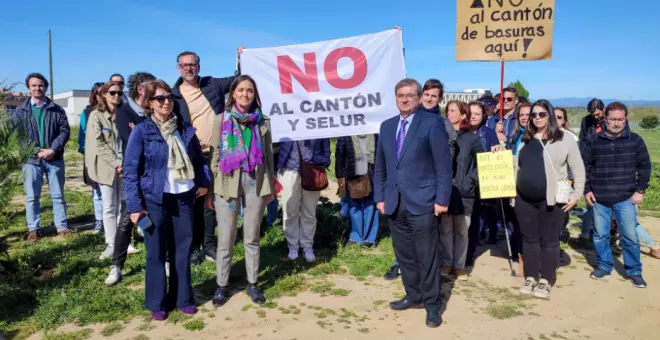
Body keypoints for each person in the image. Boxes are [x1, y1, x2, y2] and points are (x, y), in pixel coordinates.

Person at [123, 80, 211, 320]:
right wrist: (135, 206)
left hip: (184, 198)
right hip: (155, 200)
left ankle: (183, 297)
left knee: (182, 250)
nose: (166, 102)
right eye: (160, 98)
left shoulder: (184, 129)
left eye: (169, 97)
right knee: (156, 252)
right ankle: (157, 302)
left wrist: (204, 183)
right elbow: (131, 171)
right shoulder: (142, 131)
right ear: (150, 103)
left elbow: (199, 160)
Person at [374, 78, 452, 328]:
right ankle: (414, 294)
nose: (404, 99)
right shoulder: (386, 127)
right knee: (405, 255)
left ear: (418, 98)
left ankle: (432, 305)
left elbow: (443, 166)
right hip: (395, 202)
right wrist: (380, 198)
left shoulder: (432, 123)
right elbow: (381, 168)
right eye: (400, 95)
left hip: (424, 202)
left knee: (426, 255)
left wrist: (442, 199)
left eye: (409, 95)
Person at [206, 75, 276, 306]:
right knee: (226, 239)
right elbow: (215, 153)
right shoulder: (221, 119)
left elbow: (268, 156)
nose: (245, 94)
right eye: (241, 90)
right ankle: (221, 285)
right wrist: (215, 181)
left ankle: (253, 283)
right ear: (233, 93)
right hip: (227, 183)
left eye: (250, 91)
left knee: (252, 237)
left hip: (255, 182)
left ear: (254, 95)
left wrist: (271, 186)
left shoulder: (263, 121)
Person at [172, 49, 243, 265]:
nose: (189, 68)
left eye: (192, 64)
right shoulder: (173, 95)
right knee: (192, 201)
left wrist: (241, 57)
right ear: (178, 68)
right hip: (190, 154)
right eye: (184, 65)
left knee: (211, 200)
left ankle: (209, 244)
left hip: (217, 153)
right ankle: (194, 247)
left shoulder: (212, 84)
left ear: (198, 66)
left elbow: (238, 78)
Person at [383, 78, 457, 280]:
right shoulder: (396, 123)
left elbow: (444, 162)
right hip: (400, 194)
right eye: (427, 95)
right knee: (405, 246)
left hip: (424, 192)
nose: (430, 99)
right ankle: (409, 282)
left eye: (434, 96)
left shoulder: (438, 123)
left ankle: (429, 295)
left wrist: (441, 197)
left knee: (426, 249)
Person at [514, 99, 585, 299]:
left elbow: (578, 169)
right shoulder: (525, 139)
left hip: (554, 198)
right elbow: (515, 163)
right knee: (529, 240)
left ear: (550, 116)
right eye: (533, 115)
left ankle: (546, 279)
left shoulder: (565, 139)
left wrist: (576, 193)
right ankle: (530, 276)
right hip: (524, 200)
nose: (536, 118)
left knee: (549, 241)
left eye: (541, 114)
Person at [582, 102, 651, 289]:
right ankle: (604, 266)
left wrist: (640, 190)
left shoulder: (635, 140)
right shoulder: (593, 141)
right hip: (599, 198)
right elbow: (585, 168)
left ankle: (634, 271)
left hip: (626, 197)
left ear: (625, 120)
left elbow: (644, 166)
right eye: (612, 119)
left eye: (620, 119)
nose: (616, 123)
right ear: (605, 119)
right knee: (600, 235)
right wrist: (586, 190)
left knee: (630, 236)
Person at [12, 73, 71, 241]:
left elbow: (64, 131)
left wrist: (52, 149)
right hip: (31, 160)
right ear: (28, 88)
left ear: (46, 87)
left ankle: (62, 226)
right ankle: (34, 228)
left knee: (58, 195)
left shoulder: (56, 109)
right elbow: (19, 136)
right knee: (32, 196)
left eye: (41, 85)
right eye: (34, 85)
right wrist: (37, 150)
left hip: (54, 158)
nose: (38, 88)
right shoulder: (20, 111)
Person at [84, 81, 130, 261]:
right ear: (103, 94)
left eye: (119, 93)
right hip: (107, 167)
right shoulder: (96, 116)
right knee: (109, 206)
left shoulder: (124, 114)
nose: (116, 96)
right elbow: (99, 145)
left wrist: (125, 164)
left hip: (124, 167)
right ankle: (111, 243)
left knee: (123, 206)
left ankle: (123, 241)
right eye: (112, 93)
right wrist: (117, 163)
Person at [440, 101, 483, 280]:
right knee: (445, 230)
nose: (448, 114)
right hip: (445, 191)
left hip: (464, 192)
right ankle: (447, 263)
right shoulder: (441, 136)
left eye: (452, 110)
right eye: (447, 110)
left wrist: (471, 180)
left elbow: (481, 162)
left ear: (463, 115)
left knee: (463, 230)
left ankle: (459, 265)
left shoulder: (472, 138)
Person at [278, 135, 330, 262]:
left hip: (313, 170)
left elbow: (326, 144)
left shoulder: (316, 122)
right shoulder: (284, 120)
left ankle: (307, 247)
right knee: (289, 211)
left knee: (310, 212)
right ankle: (293, 248)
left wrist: (321, 161)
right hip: (289, 170)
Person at [335, 134, 380, 247]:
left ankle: (370, 239)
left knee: (370, 206)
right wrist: (340, 175)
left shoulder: (374, 131)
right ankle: (355, 237)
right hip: (352, 174)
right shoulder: (346, 132)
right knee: (354, 207)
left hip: (371, 174)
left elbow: (380, 153)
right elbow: (340, 154)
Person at [577, 99, 605, 246]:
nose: (595, 117)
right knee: (589, 199)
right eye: (592, 114)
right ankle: (585, 235)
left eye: (597, 114)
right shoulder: (586, 121)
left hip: (606, 165)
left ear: (603, 109)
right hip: (590, 163)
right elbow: (582, 140)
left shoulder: (610, 120)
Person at [78, 81, 105, 234]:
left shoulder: (116, 110)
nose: (101, 96)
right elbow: (82, 136)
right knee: (97, 192)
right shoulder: (87, 112)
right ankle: (99, 221)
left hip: (110, 158)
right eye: (98, 93)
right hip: (93, 158)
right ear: (94, 95)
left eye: (103, 92)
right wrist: (87, 152)